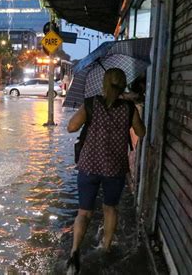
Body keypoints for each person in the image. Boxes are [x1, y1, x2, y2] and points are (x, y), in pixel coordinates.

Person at [66, 68, 145, 273]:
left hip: (89, 166)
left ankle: (74, 252)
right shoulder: (129, 108)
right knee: (110, 208)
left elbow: (71, 127)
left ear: (103, 82)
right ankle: (106, 248)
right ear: (123, 84)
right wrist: (132, 105)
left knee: (84, 212)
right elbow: (141, 132)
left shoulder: (92, 104)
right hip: (115, 168)